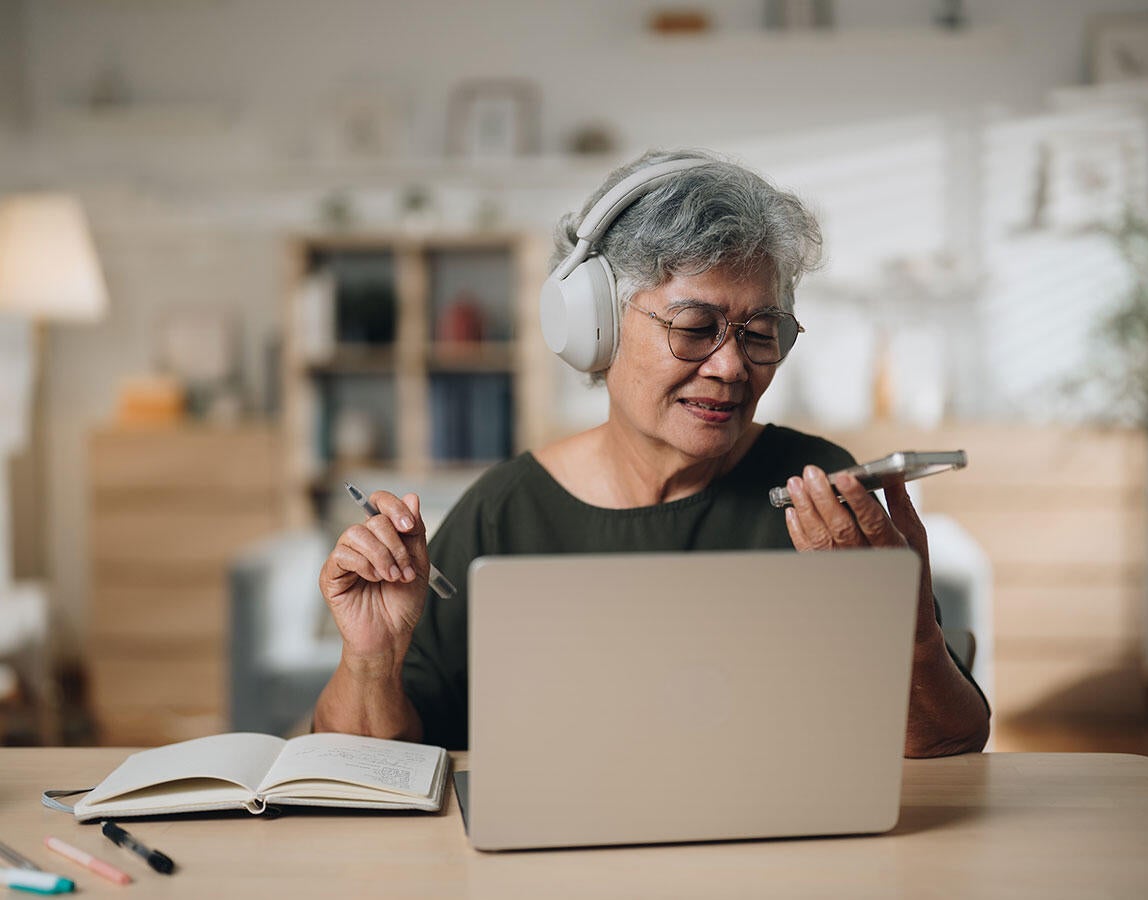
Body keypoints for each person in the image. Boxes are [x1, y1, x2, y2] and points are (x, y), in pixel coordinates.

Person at [312, 149, 990, 757]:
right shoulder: (505, 515)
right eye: (696, 327)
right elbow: (365, 770)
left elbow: (948, 744)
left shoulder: (820, 497)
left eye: (761, 332)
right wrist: (370, 661)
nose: (731, 367)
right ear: (595, 326)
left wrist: (911, 636)